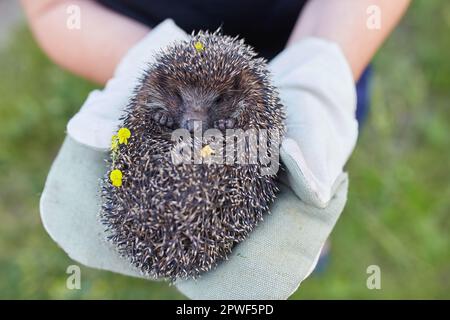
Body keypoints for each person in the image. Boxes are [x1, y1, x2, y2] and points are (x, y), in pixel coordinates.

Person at [21, 0, 411, 299]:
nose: (193, 124)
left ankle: (311, 242)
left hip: (333, 31)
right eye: (183, 104)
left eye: (206, 108)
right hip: (132, 38)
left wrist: (323, 67)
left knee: (313, 154)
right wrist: (139, 60)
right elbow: (52, 8)